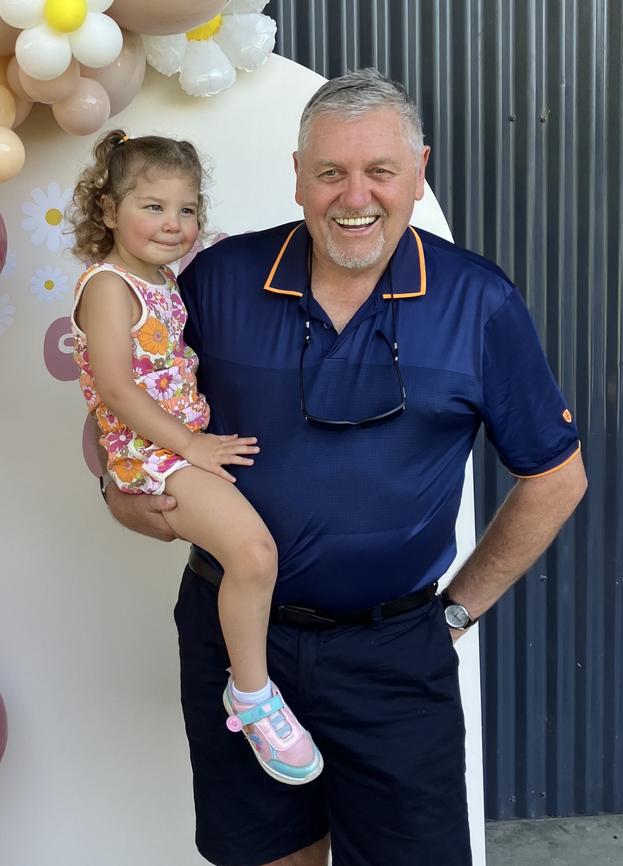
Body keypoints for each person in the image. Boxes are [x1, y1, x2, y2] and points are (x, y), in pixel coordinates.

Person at [100, 70, 587, 866]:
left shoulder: (478, 300)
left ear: (418, 172)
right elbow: (128, 402)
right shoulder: (216, 283)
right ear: (298, 175)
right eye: (330, 172)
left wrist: (455, 615)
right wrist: (119, 496)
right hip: (235, 642)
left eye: (379, 172)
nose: (352, 196)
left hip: (395, 654)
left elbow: (557, 476)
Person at [68, 129, 323, 787]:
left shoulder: (163, 279)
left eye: (186, 209)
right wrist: (190, 446)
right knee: (254, 554)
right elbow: (118, 388)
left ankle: (259, 681)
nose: (172, 223)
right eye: (152, 206)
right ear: (108, 211)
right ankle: (253, 694)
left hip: (176, 446)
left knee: (258, 552)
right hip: (152, 455)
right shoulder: (108, 285)